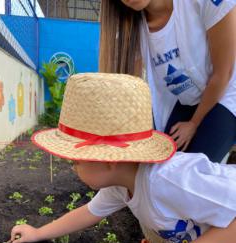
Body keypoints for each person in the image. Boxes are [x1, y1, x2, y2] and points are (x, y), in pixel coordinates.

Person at [10, 73, 236, 243]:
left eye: (76, 161)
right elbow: (88, 212)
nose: (73, 167)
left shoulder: (169, 179)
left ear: (109, 160)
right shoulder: (121, 185)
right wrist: (38, 233)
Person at [99, 0, 236, 162]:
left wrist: (193, 124)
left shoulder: (205, 3)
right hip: (187, 99)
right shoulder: (131, 27)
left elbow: (224, 73)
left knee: (191, 171)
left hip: (227, 91)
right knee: (159, 165)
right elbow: (131, 87)